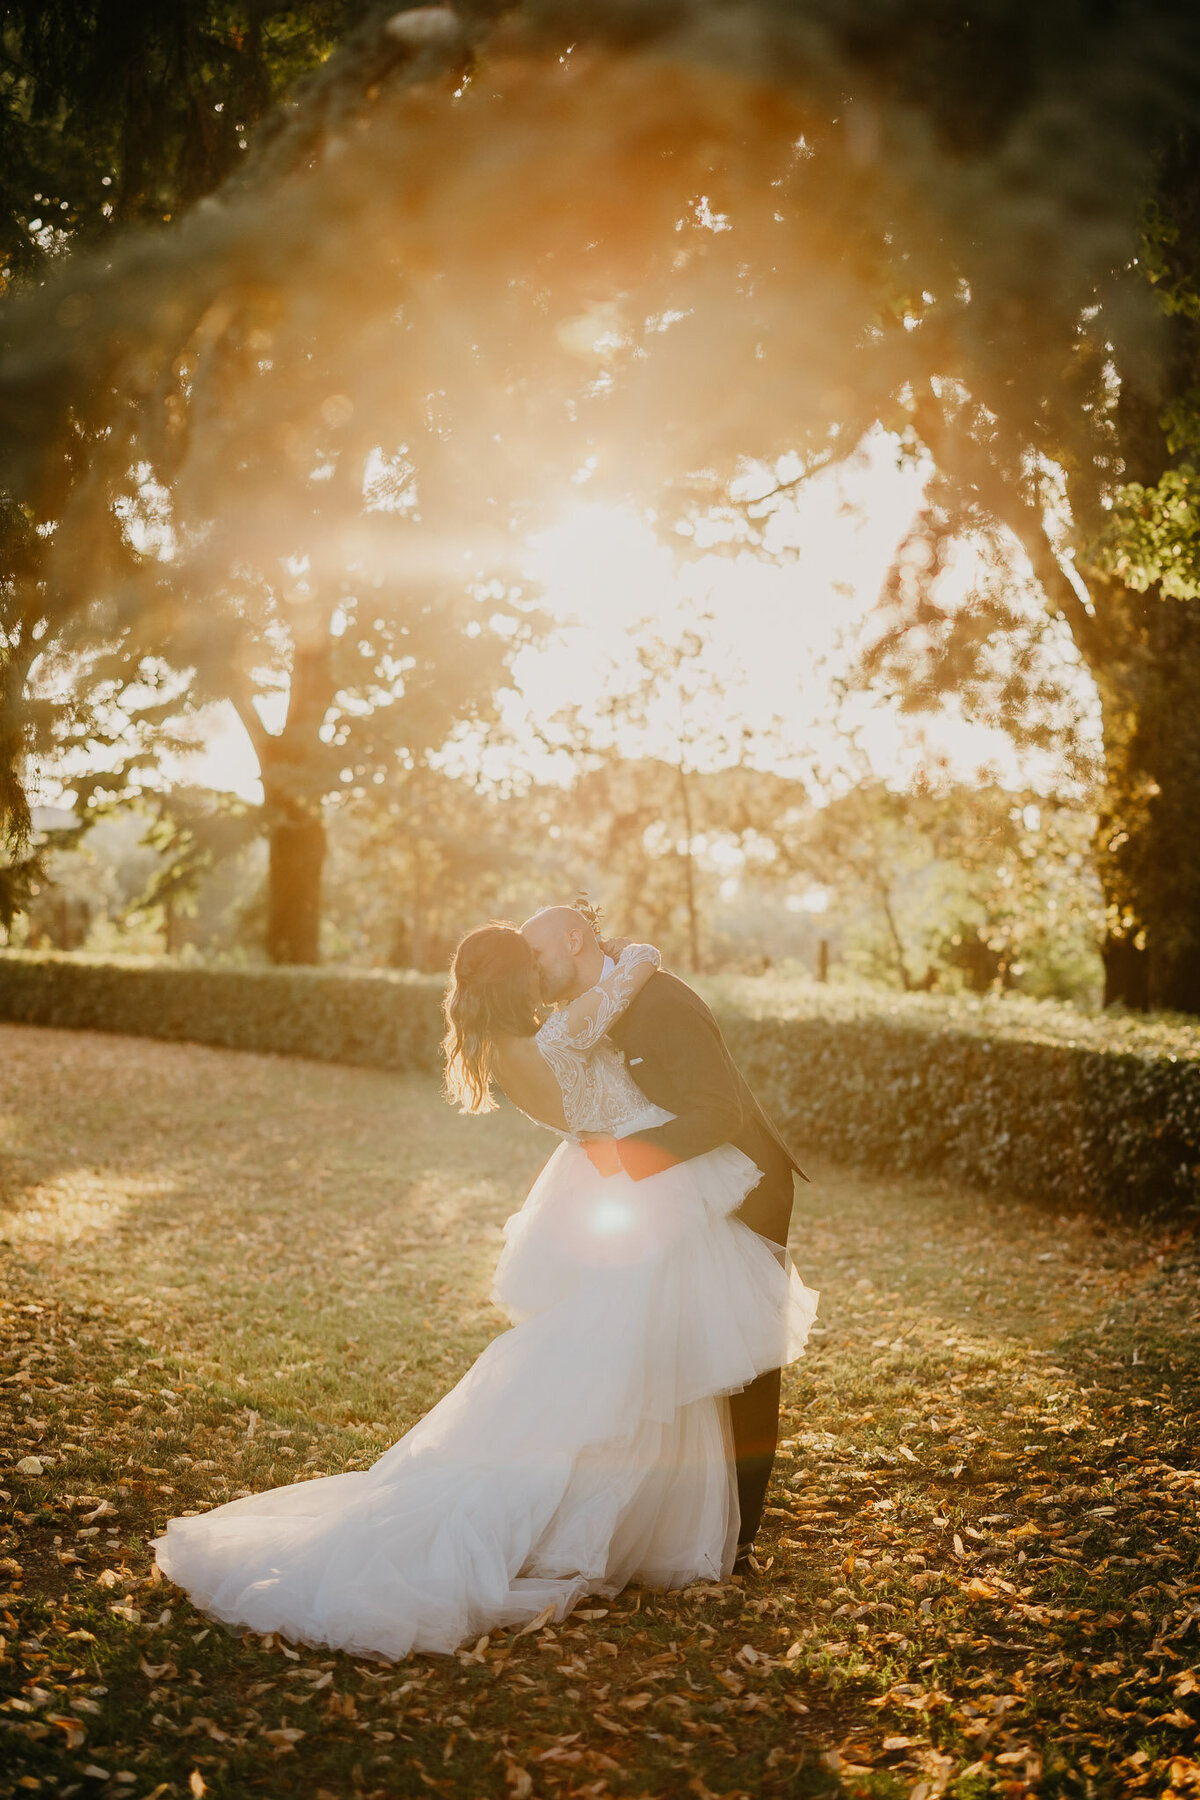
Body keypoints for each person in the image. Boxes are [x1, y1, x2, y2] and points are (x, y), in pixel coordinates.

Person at [152, 918, 817, 1659]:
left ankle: (682, 1511)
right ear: (517, 979)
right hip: (648, 1187)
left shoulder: (517, 1048)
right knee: (638, 1359)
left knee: (626, 1356)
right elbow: (632, 973)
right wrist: (634, 953)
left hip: (628, 1187)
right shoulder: (563, 1036)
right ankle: (660, 1519)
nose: (540, 970)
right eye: (529, 961)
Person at [520, 906, 807, 1561]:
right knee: (667, 1332)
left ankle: (740, 1526)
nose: (534, 975)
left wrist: (623, 1161)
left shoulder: (665, 1004)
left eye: (538, 958)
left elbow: (721, 1111)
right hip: (675, 1186)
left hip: (744, 1184)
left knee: (741, 1349)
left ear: (574, 938)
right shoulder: (606, 998)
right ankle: (676, 1499)